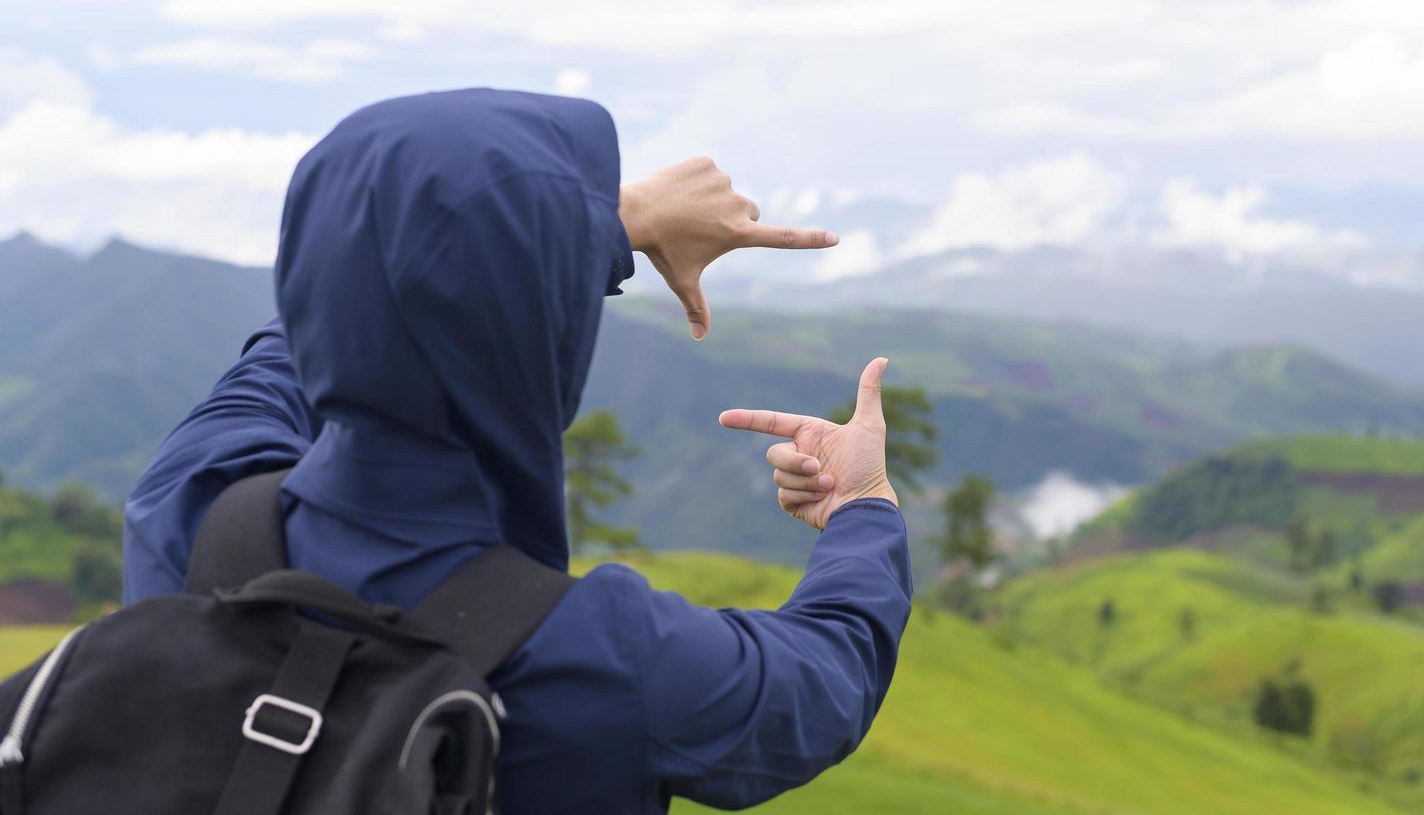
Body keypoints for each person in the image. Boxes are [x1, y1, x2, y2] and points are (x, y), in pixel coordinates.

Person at [122, 89, 912, 812]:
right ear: (551, 342)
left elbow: (318, 331)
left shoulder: (190, 505)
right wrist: (860, 508)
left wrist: (601, 224)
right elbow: (823, 681)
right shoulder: (611, 661)